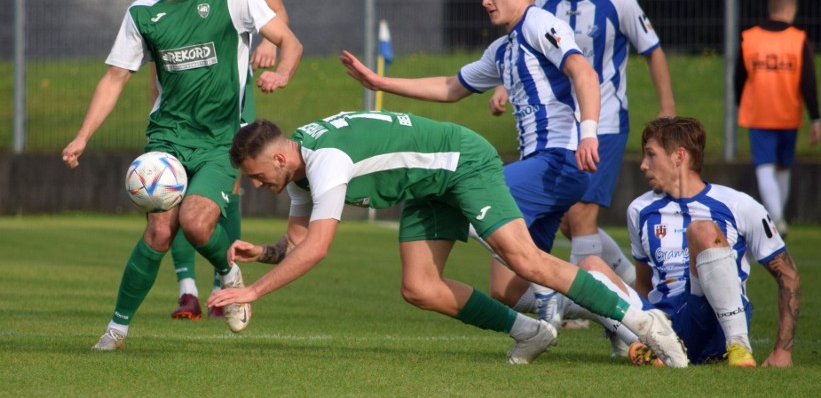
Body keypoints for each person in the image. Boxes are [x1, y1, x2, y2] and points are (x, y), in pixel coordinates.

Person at [207, 114, 689, 367]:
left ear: (275, 160)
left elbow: (317, 248)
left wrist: (251, 291)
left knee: (525, 260)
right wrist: (265, 254)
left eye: (252, 176)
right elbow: (297, 239)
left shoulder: (323, 160)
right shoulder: (297, 166)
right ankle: (532, 333)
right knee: (419, 286)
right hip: (425, 186)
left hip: (460, 163)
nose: (252, 185)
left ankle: (646, 323)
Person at [62, 0, 303, 351]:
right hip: (168, 139)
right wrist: (83, 136)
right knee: (158, 231)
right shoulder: (143, 13)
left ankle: (228, 272)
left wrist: (282, 72)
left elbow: (290, 41)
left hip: (220, 141)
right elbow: (115, 78)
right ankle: (116, 329)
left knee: (194, 223)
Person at [341, 0, 604, 330]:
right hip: (540, 166)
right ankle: (621, 313)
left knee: (463, 198)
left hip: (560, 159)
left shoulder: (538, 23)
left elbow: (584, 72)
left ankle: (577, 296)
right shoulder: (502, 49)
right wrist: (380, 82)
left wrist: (589, 133)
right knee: (506, 289)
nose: (485, 0)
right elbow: (451, 86)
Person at [490, 0, 675, 288]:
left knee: (581, 214)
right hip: (564, 126)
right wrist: (504, 87)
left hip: (604, 122)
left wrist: (666, 107)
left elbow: (652, 51)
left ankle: (583, 307)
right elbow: (526, 52)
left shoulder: (617, 1)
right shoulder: (544, 3)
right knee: (566, 222)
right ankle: (625, 280)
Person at [148, 0, 293, 321]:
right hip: (178, 93)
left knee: (226, 186)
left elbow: (277, 16)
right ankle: (188, 289)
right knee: (173, 189)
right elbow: (158, 26)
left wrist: (269, 44)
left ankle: (222, 279)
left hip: (231, 92)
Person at [553, 117, 800, 367]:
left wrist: (783, 350)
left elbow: (787, 274)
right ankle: (641, 344)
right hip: (665, 322)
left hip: (713, 323)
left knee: (701, 231)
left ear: (678, 157)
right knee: (590, 266)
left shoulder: (739, 205)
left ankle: (738, 346)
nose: (643, 165)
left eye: (651, 155)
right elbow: (643, 283)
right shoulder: (640, 210)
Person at [735, 0, 820, 237]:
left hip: (759, 112)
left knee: (765, 166)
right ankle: (778, 219)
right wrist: (815, 116)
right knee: (782, 168)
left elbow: (738, 77)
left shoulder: (750, 38)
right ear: (790, 9)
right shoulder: (798, 39)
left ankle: (777, 219)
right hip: (788, 112)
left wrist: (740, 102)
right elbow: (808, 81)